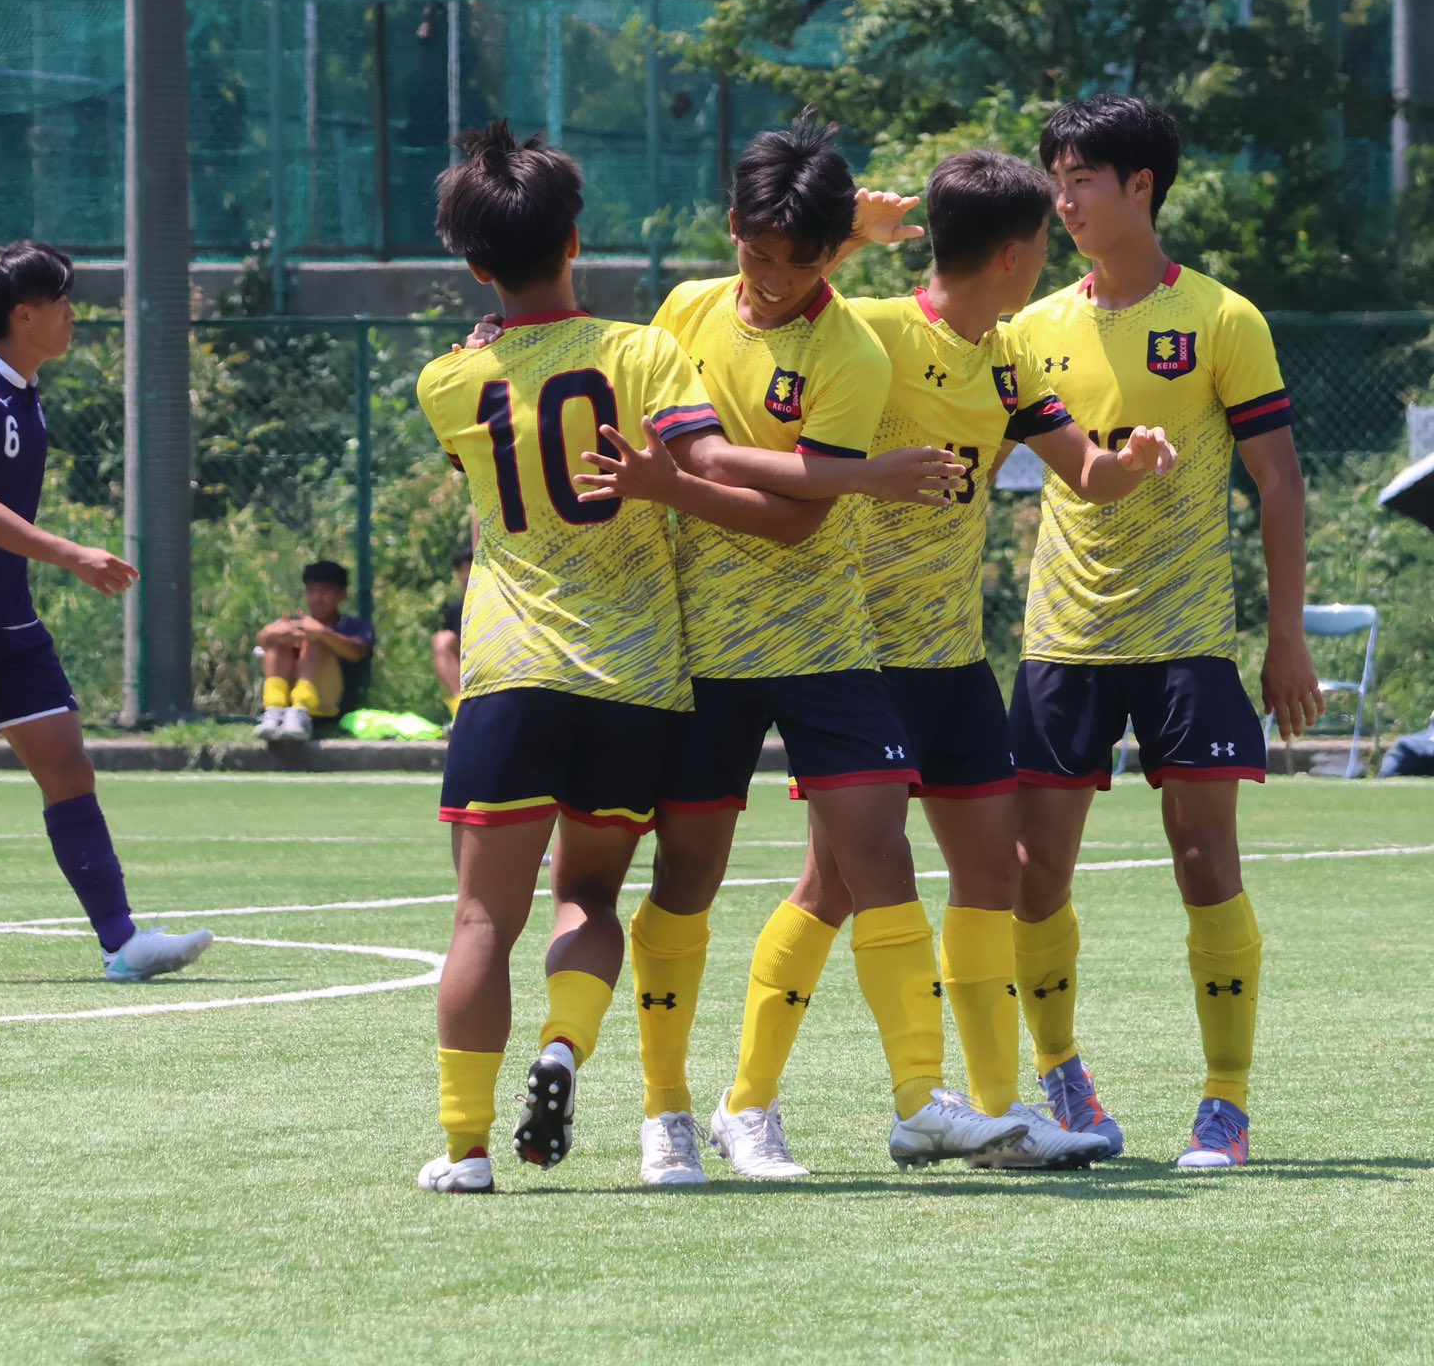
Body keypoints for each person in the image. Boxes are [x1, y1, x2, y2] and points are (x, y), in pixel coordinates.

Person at [679, 150, 1175, 1178]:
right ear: (1014, 252)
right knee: (833, 886)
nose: (1049, 256)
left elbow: (1081, 470)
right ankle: (745, 1102)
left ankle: (995, 1115)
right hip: (856, 654)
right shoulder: (874, 331)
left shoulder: (1008, 359)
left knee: (991, 871)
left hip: (954, 660)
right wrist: (853, 237)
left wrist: (1122, 466)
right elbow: (789, 301)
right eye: (1043, 240)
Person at [583, 118, 1029, 1183]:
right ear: (730, 228)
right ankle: (668, 1115)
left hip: (824, 639)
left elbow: (787, 524)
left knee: (876, 847)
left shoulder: (851, 353)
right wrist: (842, 476)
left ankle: (922, 1099)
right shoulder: (684, 312)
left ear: (829, 257)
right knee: (686, 878)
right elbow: (676, 455)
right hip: (694, 646)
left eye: (799, 260)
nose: (773, 279)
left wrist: (742, 483)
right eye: (756, 252)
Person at [411, 120, 818, 1195]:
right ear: (576, 239)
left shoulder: (446, 384)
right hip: (634, 678)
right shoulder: (643, 352)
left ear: (473, 263)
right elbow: (698, 469)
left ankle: (462, 1150)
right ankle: (562, 1047)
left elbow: (496, 420)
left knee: (480, 920)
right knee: (587, 898)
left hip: (507, 674)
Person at [997, 95, 1321, 1171]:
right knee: (1033, 873)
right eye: (1056, 176)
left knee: (1203, 863)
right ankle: (1065, 1084)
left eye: (1082, 176)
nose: (1064, 197)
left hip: (1188, 639)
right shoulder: (1030, 329)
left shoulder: (1225, 318)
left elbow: (1278, 485)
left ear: (1142, 186)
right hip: (1059, 640)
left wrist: (1286, 639)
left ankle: (1224, 1105)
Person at [0, 240, 212, 982]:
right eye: (62, 301)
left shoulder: (24, 395)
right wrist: (73, 554)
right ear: (23, 313)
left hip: (5, 626)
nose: (75, 313)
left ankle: (122, 944)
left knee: (69, 770)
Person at [252, 560, 375, 742]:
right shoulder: (295, 623)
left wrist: (323, 633)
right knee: (280, 640)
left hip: (330, 705)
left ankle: (301, 712)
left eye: (325, 591)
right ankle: (274, 710)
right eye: (312, 590)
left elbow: (357, 653)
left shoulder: (357, 627)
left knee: (316, 641)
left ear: (342, 595)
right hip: (287, 703)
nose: (317, 597)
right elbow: (262, 644)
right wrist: (268, 632)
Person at [431, 544, 473, 721]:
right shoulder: (455, 610)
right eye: (461, 570)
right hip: (468, 668)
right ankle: (460, 712)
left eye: (469, 568)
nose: (465, 576)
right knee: (442, 639)